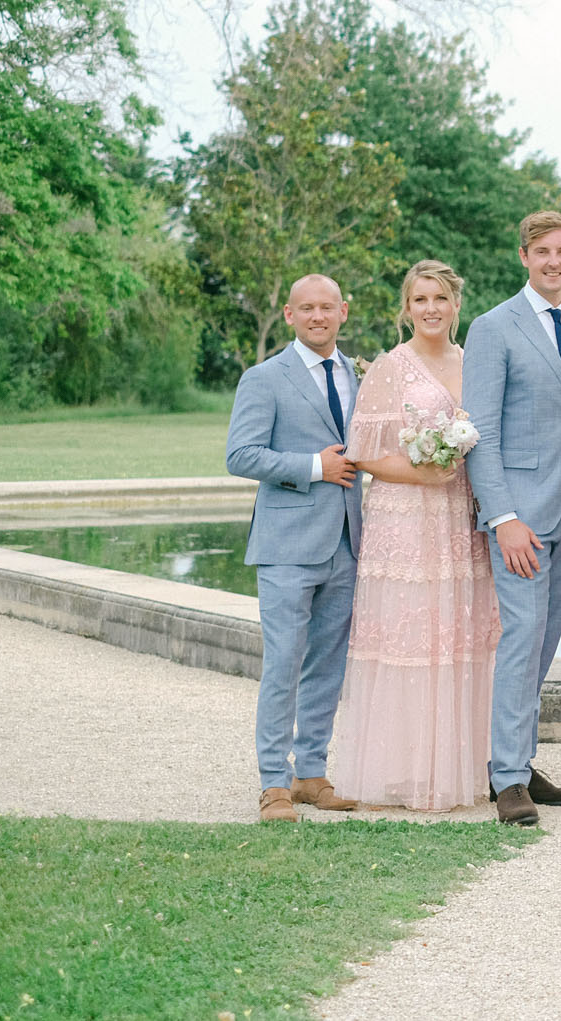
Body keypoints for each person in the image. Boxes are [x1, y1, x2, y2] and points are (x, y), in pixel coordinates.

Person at [329, 260, 500, 812]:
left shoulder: (474, 363)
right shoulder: (389, 367)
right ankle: (398, 771)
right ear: (406, 308)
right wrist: (420, 471)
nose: (431, 308)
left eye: (441, 298)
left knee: (456, 634)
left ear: (456, 305)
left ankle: (455, 769)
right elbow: (362, 450)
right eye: (420, 299)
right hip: (405, 518)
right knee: (410, 633)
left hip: (458, 517)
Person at [463, 211, 561, 827]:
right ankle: (506, 781)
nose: (554, 261)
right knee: (522, 636)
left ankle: (519, 761)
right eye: (542, 251)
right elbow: (481, 433)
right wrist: (501, 517)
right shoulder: (493, 328)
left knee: (546, 641)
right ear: (523, 256)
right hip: (520, 515)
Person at [224, 273, 367, 823]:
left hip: (348, 542)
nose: (317, 317)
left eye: (327, 308)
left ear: (343, 311)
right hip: (287, 544)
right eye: (306, 308)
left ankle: (311, 773)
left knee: (328, 666)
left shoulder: (358, 375)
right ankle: (274, 784)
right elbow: (241, 455)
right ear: (289, 314)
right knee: (283, 663)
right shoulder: (265, 378)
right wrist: (315, 467)